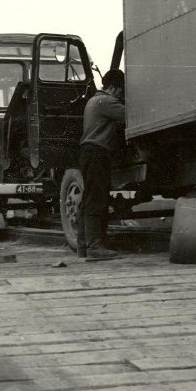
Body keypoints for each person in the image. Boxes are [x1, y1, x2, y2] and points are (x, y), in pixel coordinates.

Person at [78, 69, 126, 259]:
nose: (121, 95)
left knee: (89, 198)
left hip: (90, 152)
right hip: (97, 153)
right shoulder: (106, 102)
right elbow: (132, 115)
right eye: (121, 91)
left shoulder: (94, 100)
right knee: (96, 199)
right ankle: (95, 247)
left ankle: (84, 246)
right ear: (113, 87)